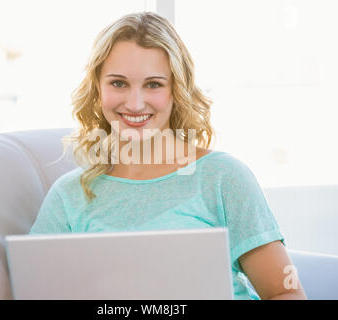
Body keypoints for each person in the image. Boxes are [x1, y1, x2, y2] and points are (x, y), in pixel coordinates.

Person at [29, 11, 307, 300]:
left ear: (177, 89)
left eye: (153, 84)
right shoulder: (69, 195)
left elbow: (284, 293)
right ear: (97, 88)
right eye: (119, 83)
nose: (135, 104)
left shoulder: (223, 177)